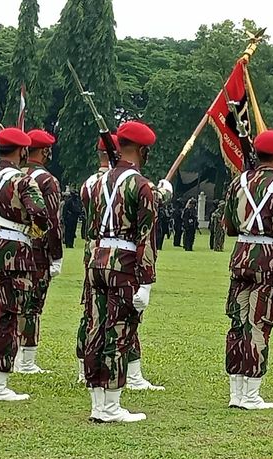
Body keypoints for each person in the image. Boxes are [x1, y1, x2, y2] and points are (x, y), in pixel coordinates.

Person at [84, 121, 161, 423]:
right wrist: (147, 282)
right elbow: (147, 237)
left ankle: (97, 402)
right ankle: (111, 405)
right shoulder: (141, 185)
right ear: (142, 150)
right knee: (119, 333)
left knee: (96, 329)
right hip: (125, 264)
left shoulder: (98, 182)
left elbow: (91, 227)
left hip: (98, 259)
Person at [223, 130, 273, 411]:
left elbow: (229, 226)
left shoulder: (238, 182)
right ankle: (251, 394)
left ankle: (236, 391)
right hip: (267, 261)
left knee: (237, 323)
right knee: (260, 324)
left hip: (241, 255)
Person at [0, 127, 48, 402]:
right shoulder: (23, 180)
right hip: (14, 251)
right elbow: (40, 213)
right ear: (23, 151)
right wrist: (37, 230)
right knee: (9, 316)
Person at [15, 129, 63, 374]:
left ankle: (11, 354)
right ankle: (26, 359)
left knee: (12, 303)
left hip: (12, 247)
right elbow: (52, 221)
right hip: (37, 251)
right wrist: (56, 255)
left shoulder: (14, 174)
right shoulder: (47, 181)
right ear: (45, 152)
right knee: (33, 305)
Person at [76, 135, 116, 383]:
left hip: (92, 248)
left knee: (91, 310)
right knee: (119, 311)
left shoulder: (89, 183)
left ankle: (84, 365)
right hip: (114, 249)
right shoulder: (118, 181)